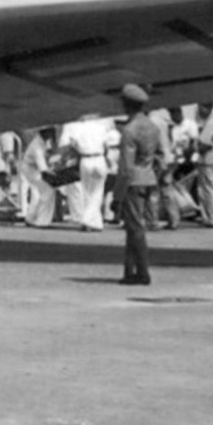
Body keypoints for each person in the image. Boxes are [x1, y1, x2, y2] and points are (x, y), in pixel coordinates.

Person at [118, 84, 163, 286]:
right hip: (149, 178)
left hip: (134, 181)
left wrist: (117, 194)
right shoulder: (153, 127)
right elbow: (161, 157)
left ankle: (143, 272)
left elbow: (126, 168)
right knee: (132, 228)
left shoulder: (129, 130)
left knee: (136, 229)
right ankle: (129, 271)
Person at [58, 117, 108, 232]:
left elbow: (71, 144)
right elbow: (106, 146)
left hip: (85, 159)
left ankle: (91, 220)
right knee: (97, 191)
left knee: (87, 191)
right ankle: (92, 220)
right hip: (99, 158)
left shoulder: (77, 128)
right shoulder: (100, 126)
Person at [21, 127, 58, 227]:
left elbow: (50, 154)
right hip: (30, 168)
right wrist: (54, 173)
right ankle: (42, 221)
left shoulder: (45, 141)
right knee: (48, 190)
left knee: (39, 193)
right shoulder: (36, 145)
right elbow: (43, 168)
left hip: (35, 167)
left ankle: (31, 218)